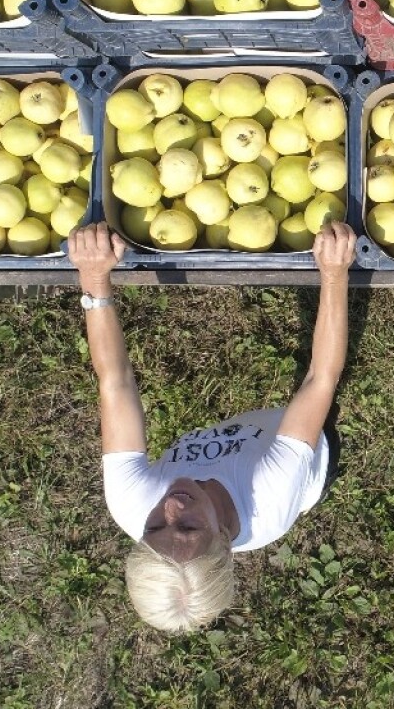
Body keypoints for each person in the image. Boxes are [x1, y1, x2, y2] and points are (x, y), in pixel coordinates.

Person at [67, 220, 357, 632]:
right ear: (224, 540)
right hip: (312, 457)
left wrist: (94, 278)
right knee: (312, 407)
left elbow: (115, 382)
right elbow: (319, 379)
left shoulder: (130, 505)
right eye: (187, 526)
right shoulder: (270, 495)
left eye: (154, 527)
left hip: (245, 437)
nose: (171, 507)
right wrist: (333, 272)